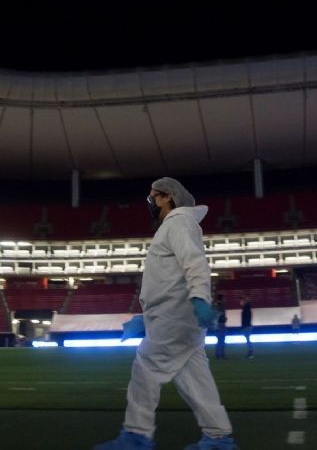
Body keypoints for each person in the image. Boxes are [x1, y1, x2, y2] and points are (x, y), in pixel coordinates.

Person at [96, 177, 237, 450]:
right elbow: (168, 279)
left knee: (146, 367)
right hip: (179, 316)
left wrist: (199, 298)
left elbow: (194, 261)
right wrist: (145, 319)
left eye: (153, 196)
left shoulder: (178, 223)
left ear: (167, 197)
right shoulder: (177, 225)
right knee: (195, 378)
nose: (149, 202)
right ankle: (219, 438)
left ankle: (136, 438)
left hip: (176, 314)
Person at [214, 293, 227, 360]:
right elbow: (220, 315)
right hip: (221, 324)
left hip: (218, 325)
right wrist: (224, 318)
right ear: (222, 299)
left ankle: (219, 355)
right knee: (221, 341)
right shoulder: (221, 306)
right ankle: (220, 355)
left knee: (219, 341)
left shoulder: (216, 305)